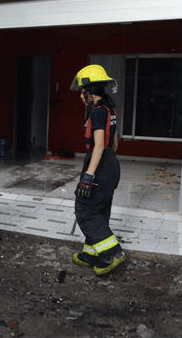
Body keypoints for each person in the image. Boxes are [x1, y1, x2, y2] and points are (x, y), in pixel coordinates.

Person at [70, 64, 125, 276]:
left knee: (84, 210)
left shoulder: (99, 112)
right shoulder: (110, 109)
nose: (80, 97)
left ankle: (112, 253)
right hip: (110, 165)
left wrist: (88, 175)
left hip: (100, 166)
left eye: (82, 92)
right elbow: (115, 144)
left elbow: (100, 145)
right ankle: (92, 253)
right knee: (100, 210)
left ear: (90, 90)